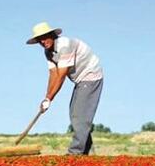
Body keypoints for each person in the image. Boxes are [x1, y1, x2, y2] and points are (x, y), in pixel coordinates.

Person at [27, 22, 103, 155]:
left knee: (80, 115)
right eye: (40, 40)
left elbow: (61, 75)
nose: (43, 42)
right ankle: (88, 152)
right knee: (75, 114)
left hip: (91, 76)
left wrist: (50, 98)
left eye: (45, 37)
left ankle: (75, 152)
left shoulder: (64, 46)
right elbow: (53, 74)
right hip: (80, 80)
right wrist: (46, 98)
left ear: (52, 35)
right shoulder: (48, 52)